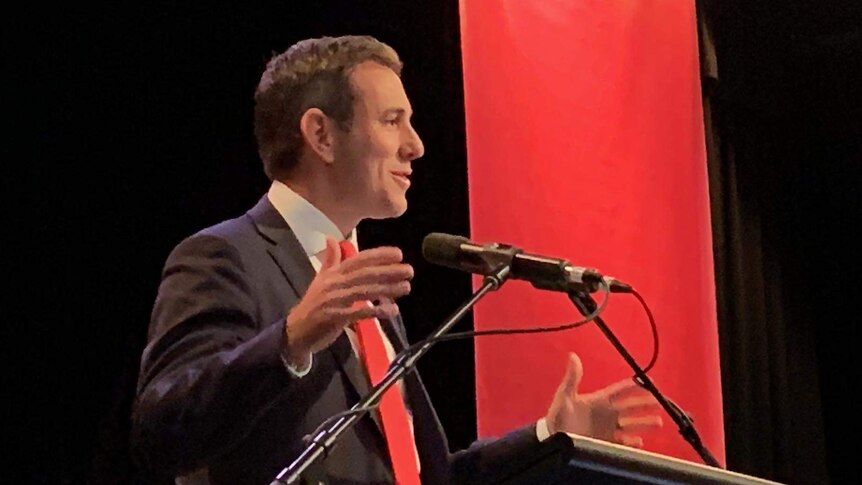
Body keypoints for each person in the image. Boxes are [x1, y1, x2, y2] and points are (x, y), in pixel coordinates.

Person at [131, 35, 662, 485]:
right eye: (392, 121)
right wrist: (291, 340)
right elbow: (161, 432)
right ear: (321, 134)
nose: (416, 145)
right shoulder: (226, 256)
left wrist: (551, 437)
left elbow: (429, 477)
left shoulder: (366, 285)